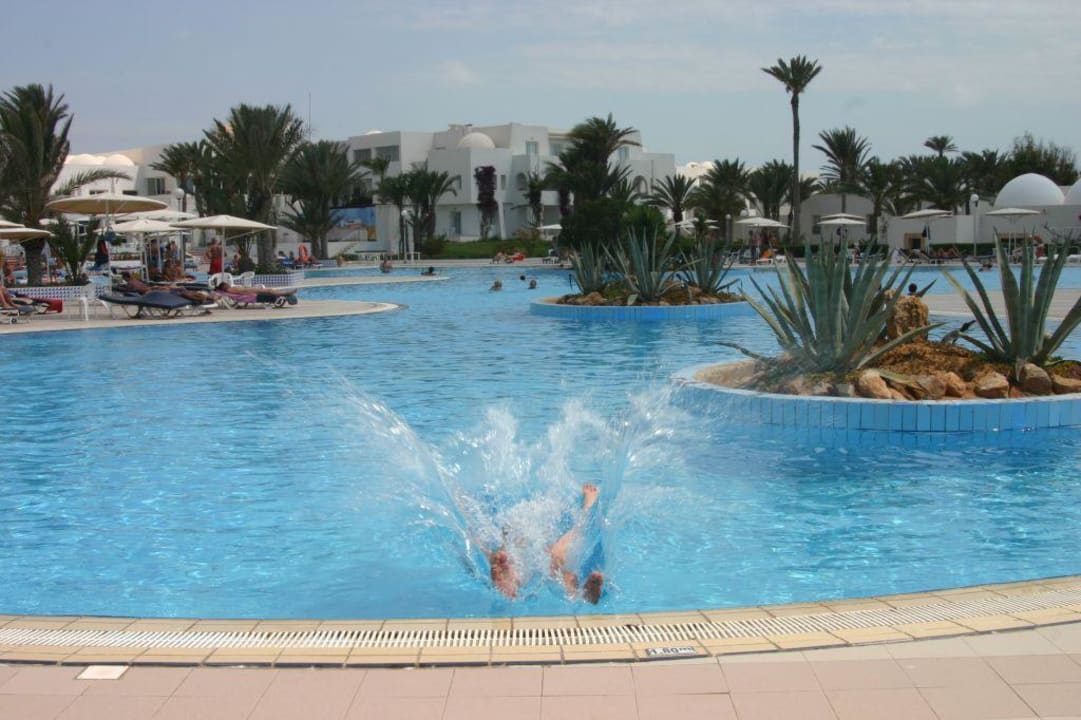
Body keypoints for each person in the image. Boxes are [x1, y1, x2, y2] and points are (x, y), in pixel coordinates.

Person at [482, 484, 605, 604]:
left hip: (521, 555)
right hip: (543, 557)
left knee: (509, 551)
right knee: (557, 559)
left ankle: (512, 582)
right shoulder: (550, 544)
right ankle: (579, 595)